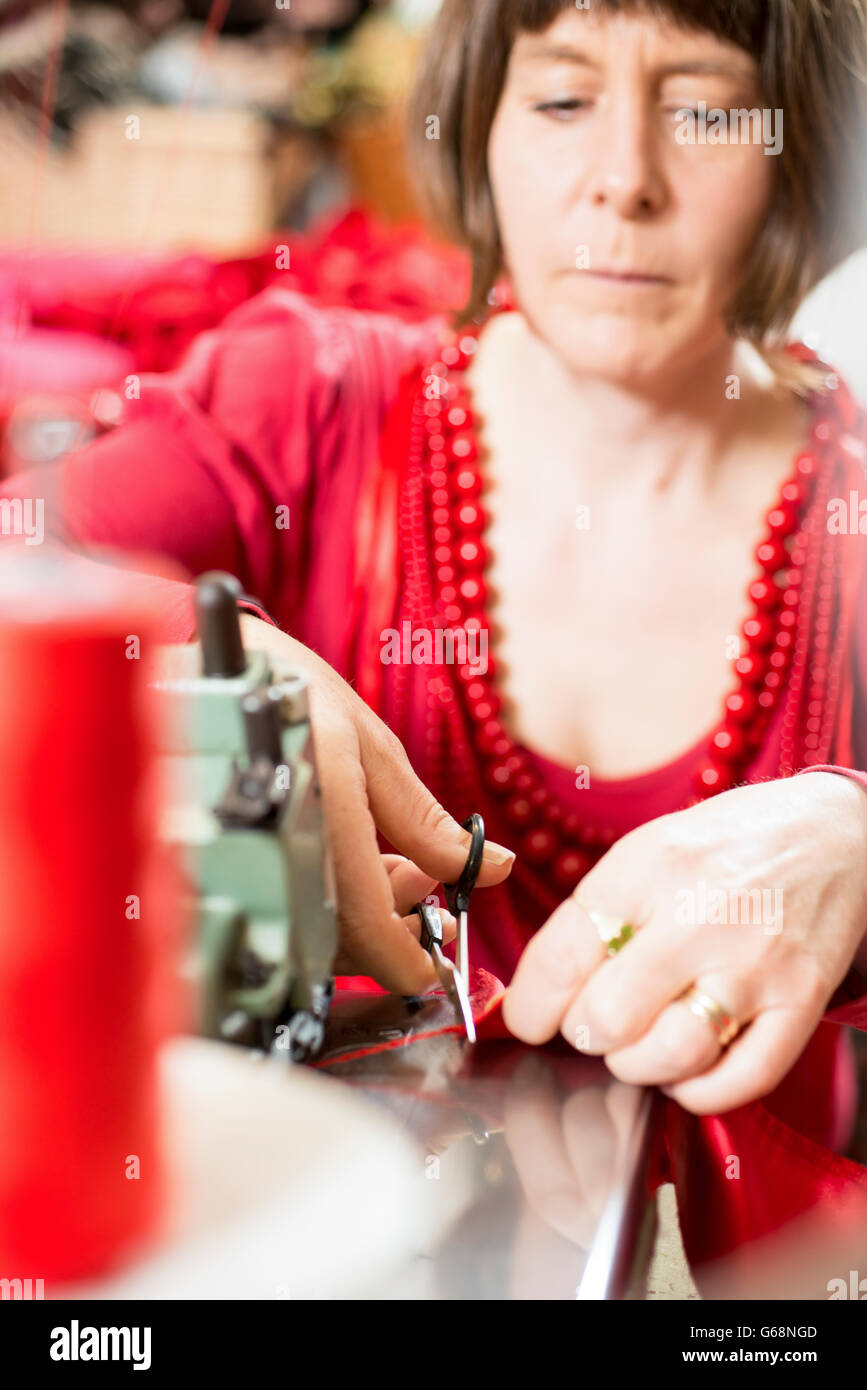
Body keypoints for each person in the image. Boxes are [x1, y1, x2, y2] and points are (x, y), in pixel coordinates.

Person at [7, 0, 867, 1126]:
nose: (624, 180)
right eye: (561, 98)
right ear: (483, 126)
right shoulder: (306, 403)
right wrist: (189, 662)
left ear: (802, 147)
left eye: (705, 114)